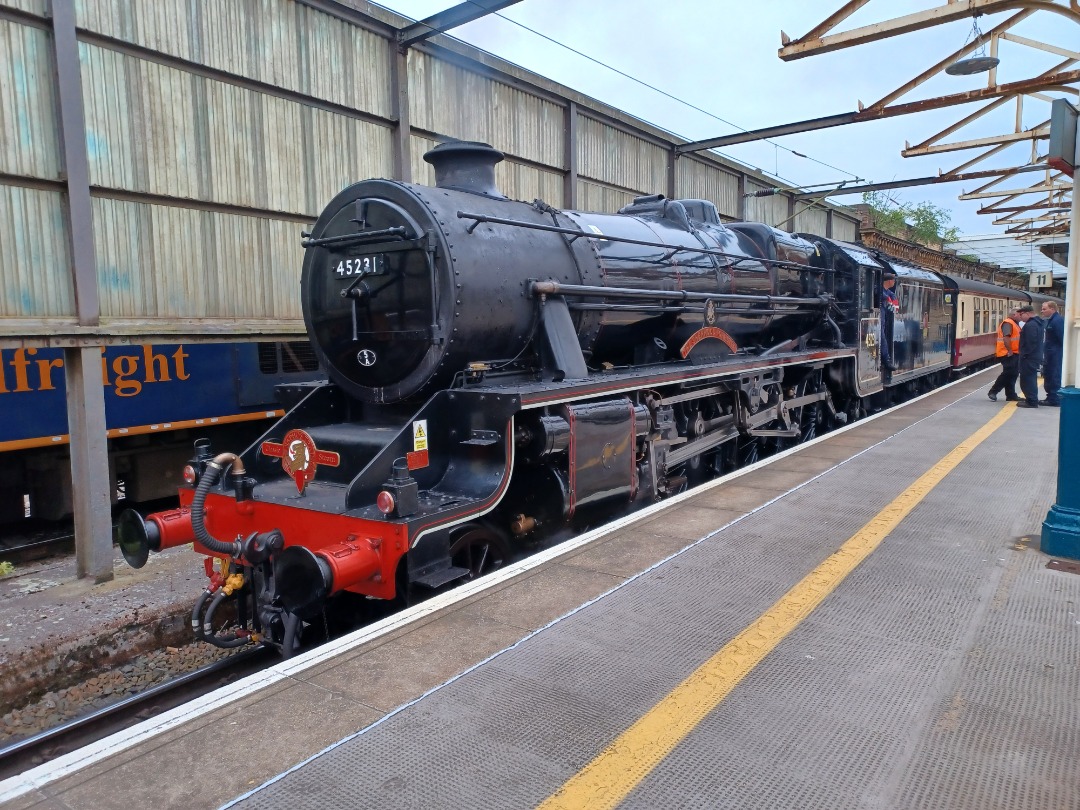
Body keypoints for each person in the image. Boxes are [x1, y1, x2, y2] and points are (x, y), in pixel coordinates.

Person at [987, 307, 1021, 402]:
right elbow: (1006, 338)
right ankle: (993, 391)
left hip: (1013, 352)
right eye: (1019, 314)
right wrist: (1010, 350)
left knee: (1013, 373)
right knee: (1008, 373)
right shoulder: (1008, 323)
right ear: (1014, 315)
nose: (1021, 316)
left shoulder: (1014, 324)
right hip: (1007, 353)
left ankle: (1011, 395)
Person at [1016, 305, 1044, 408]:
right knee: (1030, 378)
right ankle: (1031, 399)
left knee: (1027, 379)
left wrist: (1024, 355)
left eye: (1021, 314)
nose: (1020, 316)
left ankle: (1031, 401)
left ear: (1027, 313)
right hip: (1034, 356)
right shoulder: (1038, 323)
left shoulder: (1030, 325)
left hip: (1029, 358)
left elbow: (1030, 342)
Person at [1041, 301, 1063, 406]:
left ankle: (1054, 399)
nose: (1042, 311)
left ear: (1052, 309)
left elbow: (1061, 338)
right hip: (1051, 353)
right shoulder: (1052, 320)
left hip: (1055, 354)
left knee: (1053, 375)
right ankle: (1050, 397)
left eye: (1044, 309)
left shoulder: (1057, 321)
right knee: (1049, 375)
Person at [880, 271, 899, 374]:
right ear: (890, 281)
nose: (894, 282)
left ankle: (886, 359)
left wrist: (893, 302)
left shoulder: (888, 292)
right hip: (878, 320)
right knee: (882, 338)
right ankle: (886, 360)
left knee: (883, 338)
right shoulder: (880, 291)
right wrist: (889, 301)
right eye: (894, 280)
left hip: (883, 320)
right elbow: (887, 299)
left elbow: (895, 305)